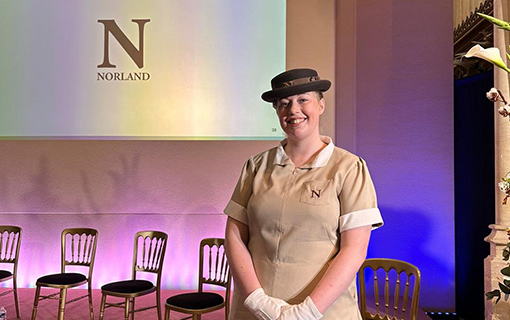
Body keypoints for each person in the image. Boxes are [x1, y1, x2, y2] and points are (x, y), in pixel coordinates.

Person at [224, 68, 383, 320]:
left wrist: (307, 312)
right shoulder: (255, 167)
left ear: (320, 105)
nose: (293, 110)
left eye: (303, 100)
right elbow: (234, 235)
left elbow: (354, 249)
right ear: (277, 111)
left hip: (325, 312)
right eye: (284, 103)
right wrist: (258, 301)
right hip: (257, 312)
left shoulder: (349, 168)